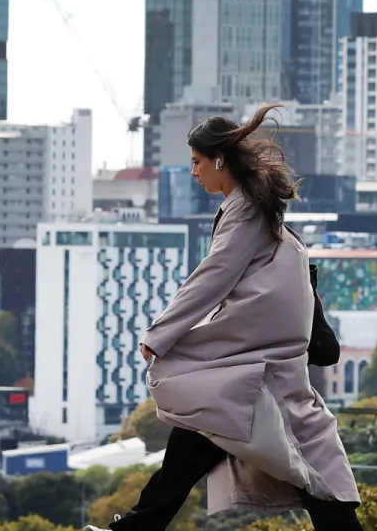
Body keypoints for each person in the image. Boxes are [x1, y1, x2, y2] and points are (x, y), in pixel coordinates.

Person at [96, 106, 362, 531]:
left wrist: (161, 334)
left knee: (311, 468)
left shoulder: (245, 211)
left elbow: (213, 277)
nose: (194, 173)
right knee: (195, 451)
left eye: (197, 163)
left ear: (219, 160)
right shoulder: (256, 206)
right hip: (254, 370)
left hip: (257, 371)